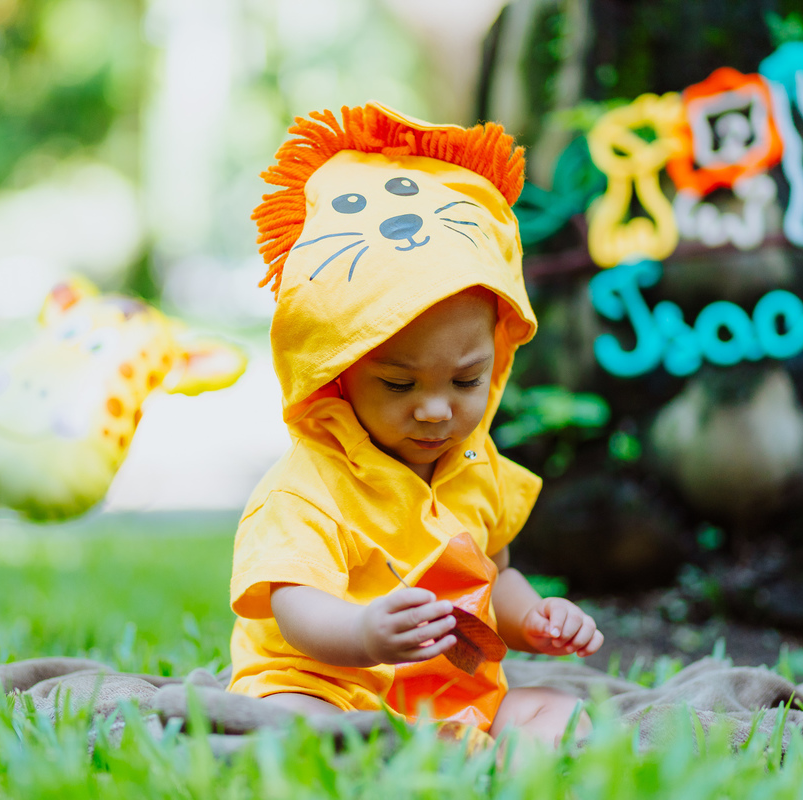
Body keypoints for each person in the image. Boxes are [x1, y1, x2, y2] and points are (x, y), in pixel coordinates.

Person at [227, 103, 603, 748]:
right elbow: (294, 606)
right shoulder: (306, 489)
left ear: (497, 360)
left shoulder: (477, 466)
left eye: (466, 380)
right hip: (328, 685)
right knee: (296, 727)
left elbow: (495, 573)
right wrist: (365, 633)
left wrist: (534, 618)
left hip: (449, 694)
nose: (437, 409)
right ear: (337, 372)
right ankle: (388, 760)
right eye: (399, 384)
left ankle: (488, 771)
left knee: (562, 714)